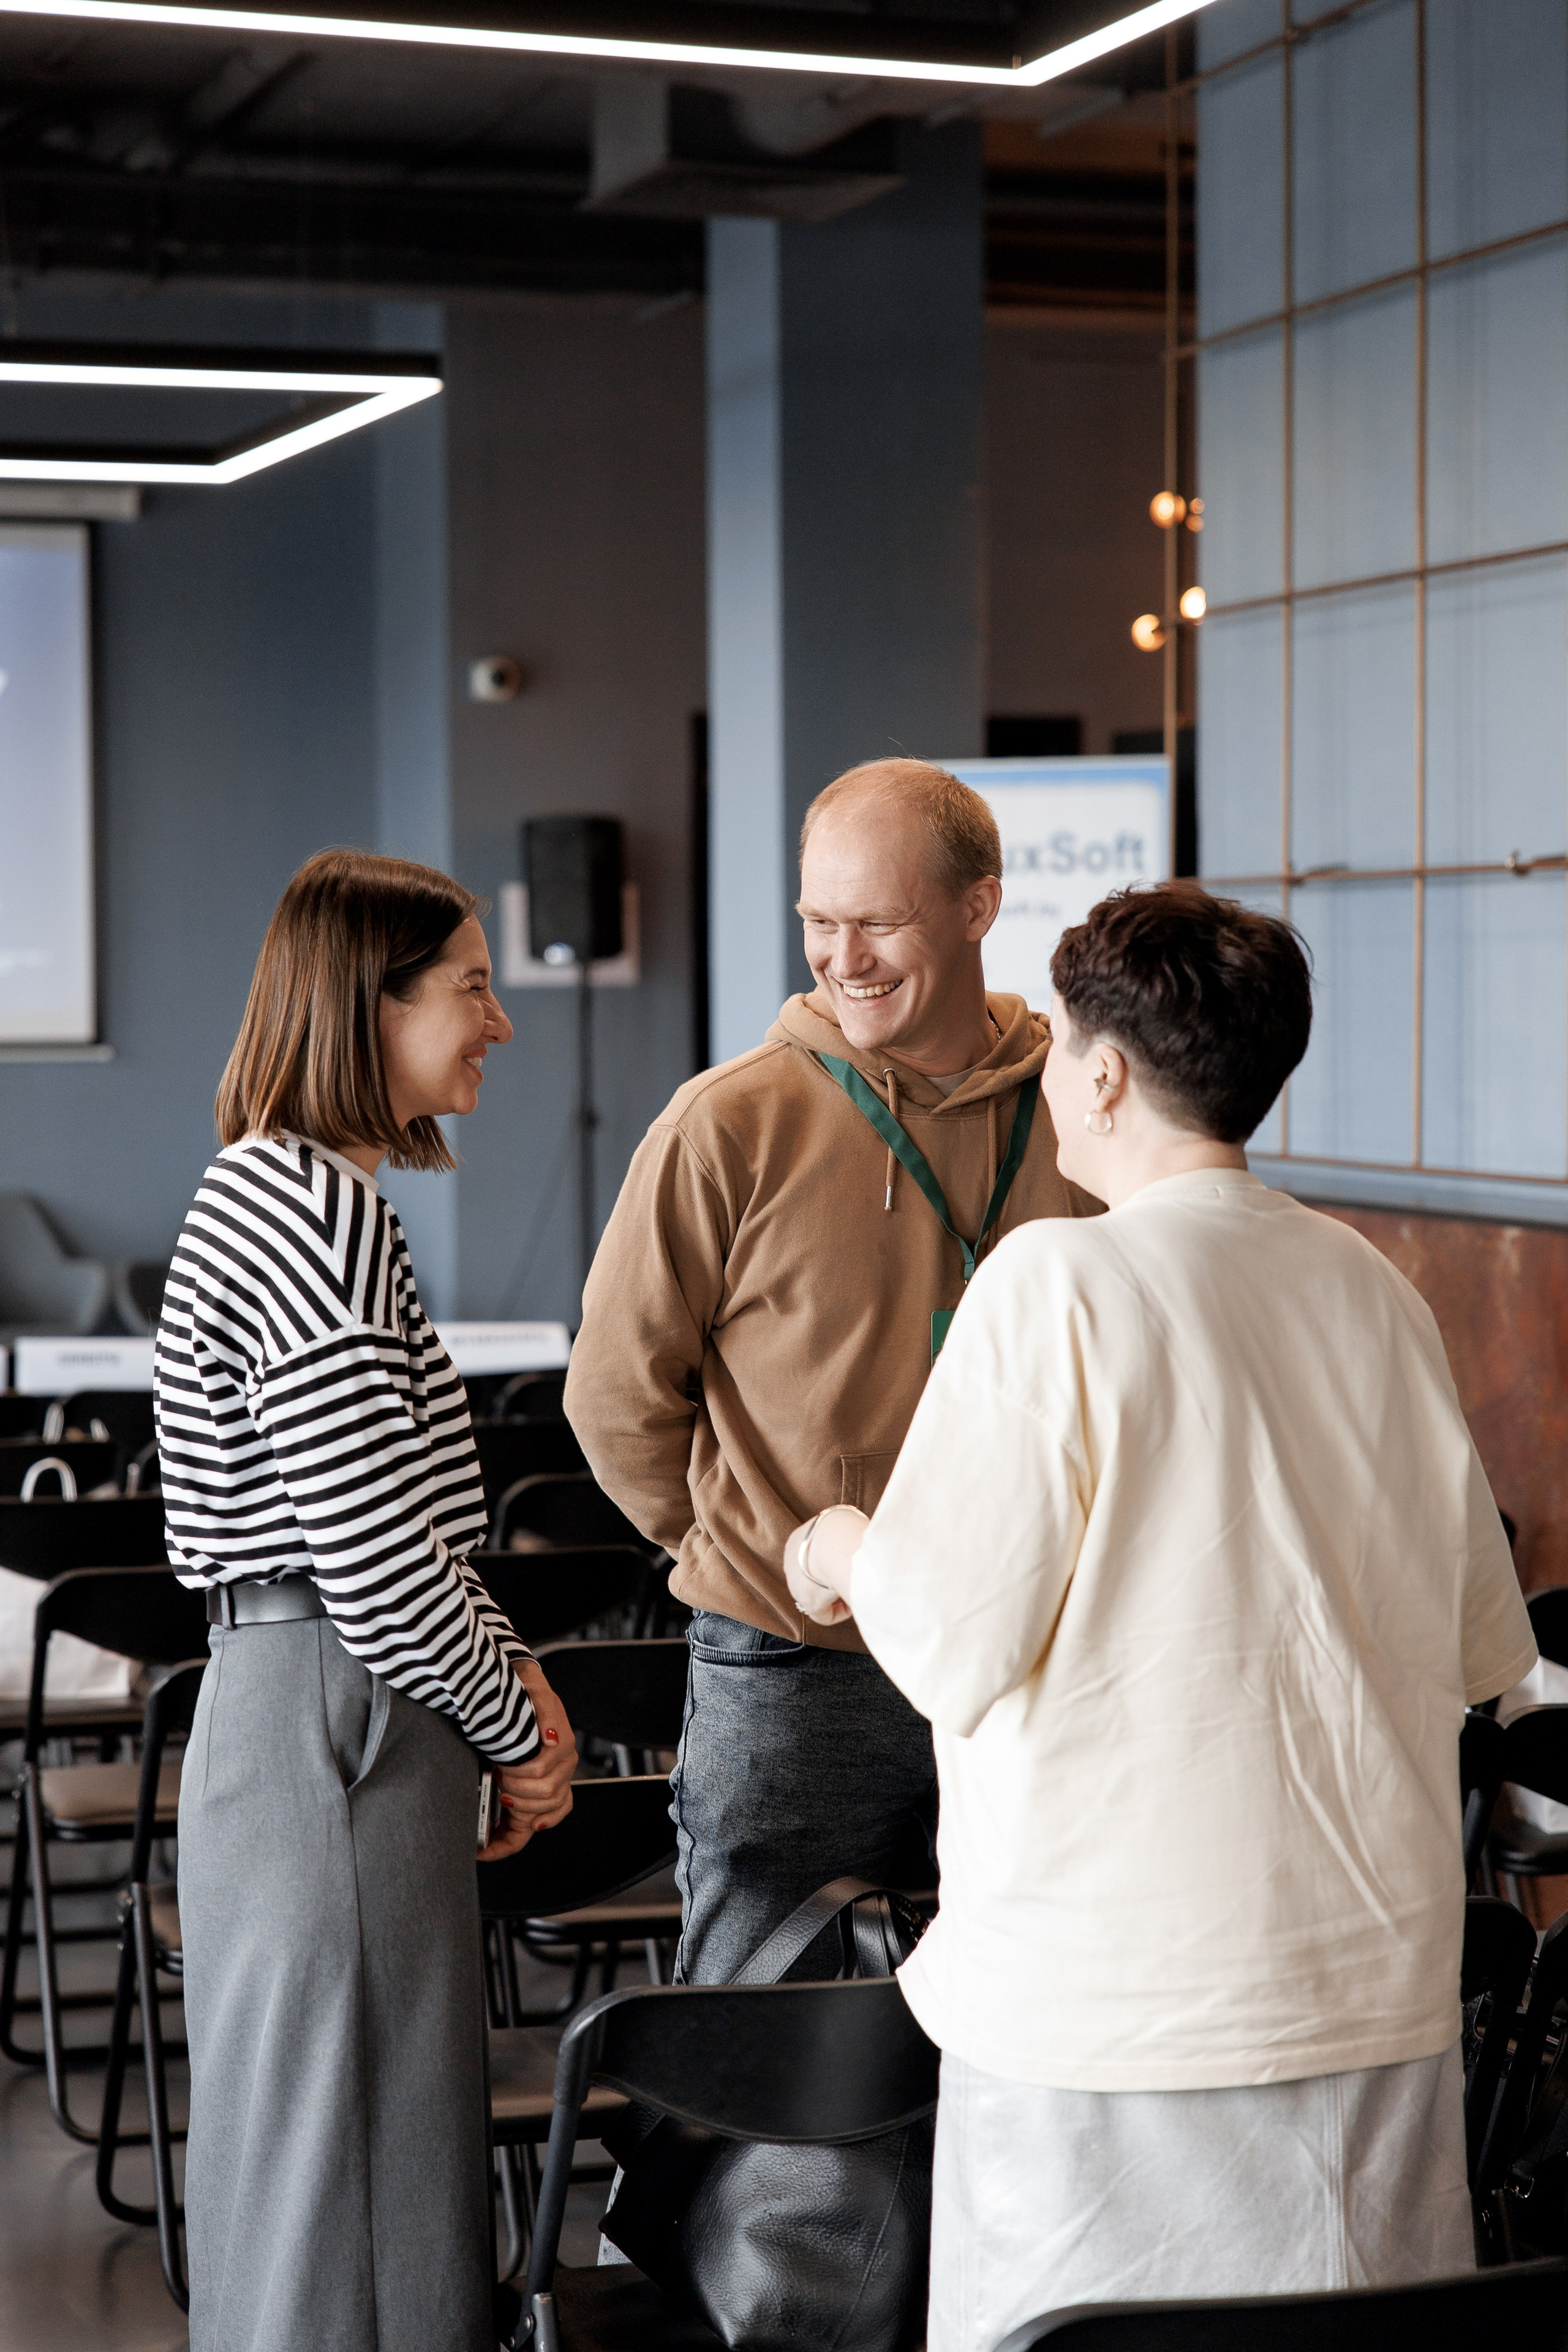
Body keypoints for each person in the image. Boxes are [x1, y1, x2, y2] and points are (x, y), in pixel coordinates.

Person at [784, 881, 1536, 2349]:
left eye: (1059, 1045)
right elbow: (1474, 1640)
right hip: (1364, 1983)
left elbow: (952, 1642)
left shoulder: (1056, 1280)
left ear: (1107, 1073)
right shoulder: (1371, 1289)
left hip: (1115, 2003)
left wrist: (844, 1546)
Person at [565, 758, 1098, 1982]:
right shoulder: (726, 1124)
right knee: (768, 2044)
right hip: (794, 1665)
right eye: (817, 922)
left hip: (1029, 1658)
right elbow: (612, 1392)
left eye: (877, 922)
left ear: (976, 907)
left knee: (1019, 2028)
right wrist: (739, 1547)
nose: (840, 958)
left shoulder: (1078, 1107)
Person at [157, 850, 579, 2352]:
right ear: (369, 1004)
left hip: (319, 1704)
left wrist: (490, 1686)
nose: (499, 1024)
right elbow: (379, 1562)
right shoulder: (312, 1210)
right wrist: (511, 1720)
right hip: (337, 1706)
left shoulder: (291, 1192)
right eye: (470, 988)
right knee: (349, 2206)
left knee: (344, 2185)